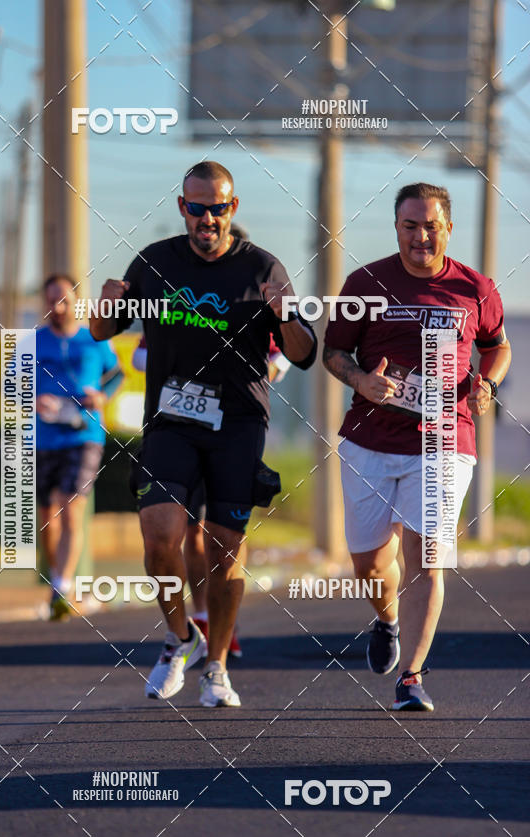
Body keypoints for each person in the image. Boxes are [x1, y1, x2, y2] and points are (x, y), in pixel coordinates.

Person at [91, 160, 316, 707]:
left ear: (232, 208)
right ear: (182, 208)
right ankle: (179, 637)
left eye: (217, 208)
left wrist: (286, 316)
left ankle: (216, 667)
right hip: (171, 420)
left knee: (224, 549)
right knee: (159, 538)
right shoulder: (155, 262)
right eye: (197, 208)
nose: (207, 219)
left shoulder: (263, 267)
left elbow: (304, 354)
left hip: (238, 424)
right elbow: (102, 330)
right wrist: (104, 306)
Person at [323, 182, 511, 712]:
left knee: (427, 556)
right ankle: (386, 618)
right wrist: (361, 381)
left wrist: (487, 382)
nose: (421, 236)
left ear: (448, 228)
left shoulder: (476, 288)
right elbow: (334, 352)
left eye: (431, 226)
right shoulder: (365, 283)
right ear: (397, 228)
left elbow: (497, 346)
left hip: (446, 440)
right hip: (371, 441)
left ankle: (411, 677)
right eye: (410, 226)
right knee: (369, 563)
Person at [131, 315, 290, 659]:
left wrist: (253, 372)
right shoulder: (175, 303)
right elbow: (139, 356)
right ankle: (200, 617)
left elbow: (283, 355)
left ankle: (220, 626)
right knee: (190, 533)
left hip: (231, 431)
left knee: (221, 537)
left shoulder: (242, 303)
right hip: (178, 431)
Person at [36, 274, 123, 620]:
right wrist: (33, 400)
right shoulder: (33, 342)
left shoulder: (94, 339)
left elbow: (117, 374)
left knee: (71, 508)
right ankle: (56, 580)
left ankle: (61, 587)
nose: (58, 308)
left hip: (84, 435)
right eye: (51, 301)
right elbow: (14, 384)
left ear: (76, 302)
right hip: (44, 438)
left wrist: (102, 396)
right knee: (47, 518)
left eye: (64, 301)